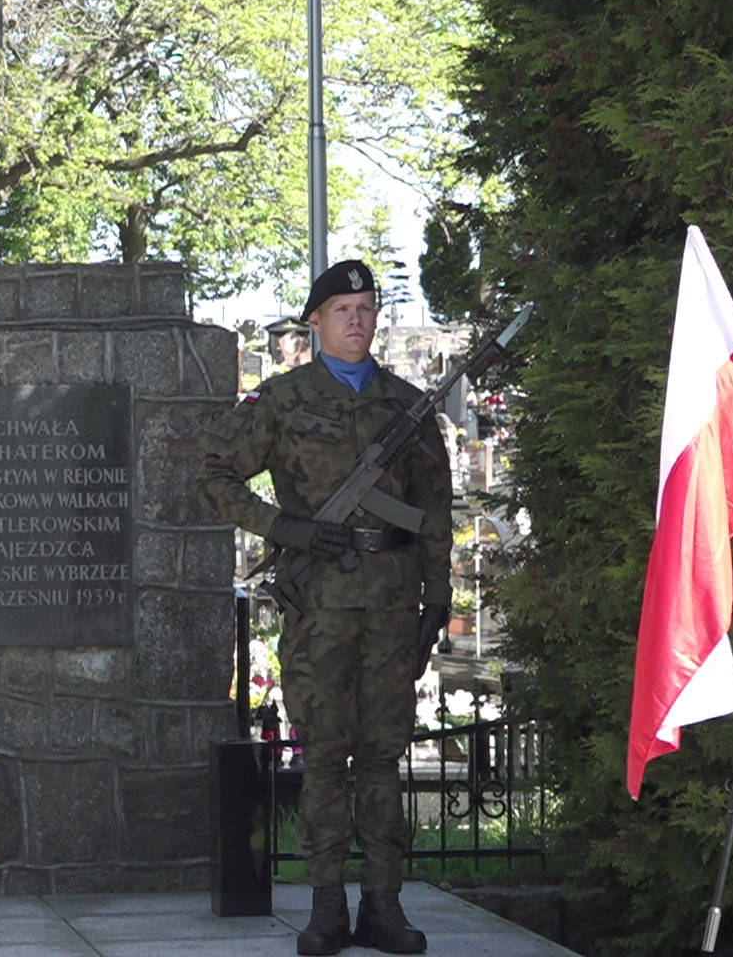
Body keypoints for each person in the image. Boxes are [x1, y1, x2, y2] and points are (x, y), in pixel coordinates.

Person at [193, 260, 452, 956]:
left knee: (382, 757)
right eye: (344, 309)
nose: (359, 320)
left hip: (393, 605)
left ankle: (384, 905)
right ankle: (327, 907)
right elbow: (211, 475)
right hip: (321, 608)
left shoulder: (408, 404)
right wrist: (288, 529)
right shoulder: (282, 400)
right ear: (315, 322)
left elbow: (433, 509)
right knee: (328, 757)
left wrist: (440, 595)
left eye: (368, 308)